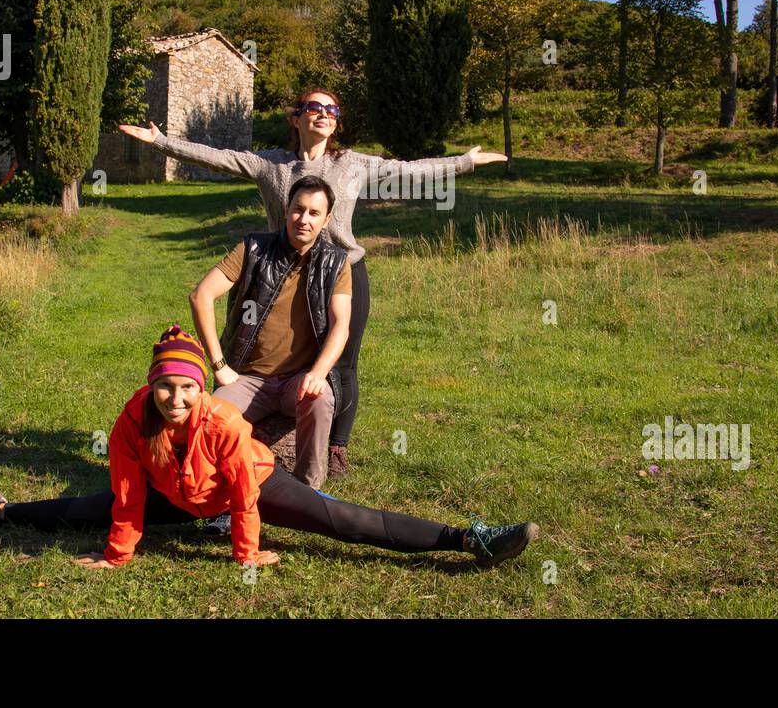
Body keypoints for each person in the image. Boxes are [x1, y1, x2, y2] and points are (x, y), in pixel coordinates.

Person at [119, 88, 507, 475]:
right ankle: (242, 428)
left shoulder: (351, 164)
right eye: (314, 107)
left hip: (342, 272)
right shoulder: (270, 164)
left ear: (336, 121)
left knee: (343, 362)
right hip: (278, 270)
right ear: (297, 117)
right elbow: (219, 158)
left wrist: (464, 162)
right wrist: (162, 143)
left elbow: (407, 170)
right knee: (261, 347)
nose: (323, 114)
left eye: (331, 109)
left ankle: (336, 446)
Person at [0, 326, 538, 570]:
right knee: (83, 508)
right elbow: (128, 494)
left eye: (186, 388)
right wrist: (117, 556)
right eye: (164, 387)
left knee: (343, 521)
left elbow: (240, 491)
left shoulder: (223, 422)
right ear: (151, 386)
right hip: (179, 496)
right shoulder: (131, 422)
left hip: (248, 486)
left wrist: (245, 551)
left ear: (200, 389)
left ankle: (469, 540)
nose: (175, 399)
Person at [191, 174, 349, 491]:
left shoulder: (335, 263)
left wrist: (318, 374)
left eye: (314, 213)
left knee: (320, 400)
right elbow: (201, 296)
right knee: (212, 420)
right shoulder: (254, 249)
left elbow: (340, 325)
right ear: (286, 208)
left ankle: (308, 493)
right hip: (248, 378)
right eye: (298, 209)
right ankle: (217, 495)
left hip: (298, 379)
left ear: (326, 219)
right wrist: (219, 366)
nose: (304, 219)